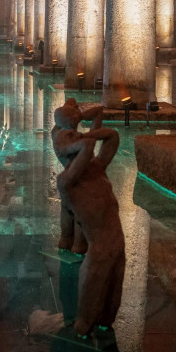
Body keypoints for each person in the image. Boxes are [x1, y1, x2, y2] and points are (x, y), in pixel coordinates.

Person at [52, 103, 125, 337]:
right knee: (90, 299)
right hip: (99, 247)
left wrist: (81, 128)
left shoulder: (97, 167)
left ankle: (105, 323)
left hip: (118, 243)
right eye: (71, 137)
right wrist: (81, 138)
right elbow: (87, 146)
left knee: (113, 297)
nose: (79, 137)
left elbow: (112, 136)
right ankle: (82, 330)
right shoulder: (67, 182)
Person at [50, 98, 104, 256]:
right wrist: (81, 115)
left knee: (66, 211)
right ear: (74, 120)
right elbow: (98, 112)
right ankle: (79, 245)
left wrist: (73, 113)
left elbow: (64, 114)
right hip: (79, 181)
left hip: (66, 179)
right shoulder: (80, 140)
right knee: (81, 213)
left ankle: (65, 240)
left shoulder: (56, 135)